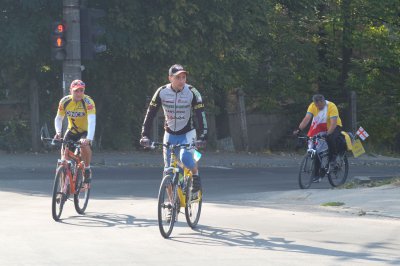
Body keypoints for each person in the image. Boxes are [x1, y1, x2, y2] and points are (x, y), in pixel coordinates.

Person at [140, 64, 208, 193]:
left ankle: (195, 175)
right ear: (170, 78)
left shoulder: (192, 92)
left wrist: (203, 136)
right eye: (178, 78)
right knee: (168, 171)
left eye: (184, 77)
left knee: (185, 158)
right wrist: (144, 135)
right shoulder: (162, 92)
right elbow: (150, 114)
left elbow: (201, 115)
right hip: (170, 134)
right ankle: (172, 206)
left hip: (187, 133)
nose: (182, 81)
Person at [54, 79, 96, 184]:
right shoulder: (64, 101)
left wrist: (89, 139)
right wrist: (58, 132)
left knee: (84, 146)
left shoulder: (88, 102)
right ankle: (63, 189)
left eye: (81, 91)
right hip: (71, 130)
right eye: (76, 91)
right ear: (71, 91)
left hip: (85, 131)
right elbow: (59, 118)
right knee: (64, 159)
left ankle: (87, 168)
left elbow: (92, 121)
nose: (79, 93)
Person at [294, 94, 343, 169]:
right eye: (316, 106)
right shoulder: (312, 106)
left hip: (334, 126)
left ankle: (333, 157)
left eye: (320, 105)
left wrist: (327, 134)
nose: (318, 108)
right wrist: (299, 129)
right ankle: (317, 173)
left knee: (330, 138)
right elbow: (306, 119)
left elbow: (333, 124)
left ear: (323, 101)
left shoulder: (331, 106)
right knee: (315, 145)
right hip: (321, 126)